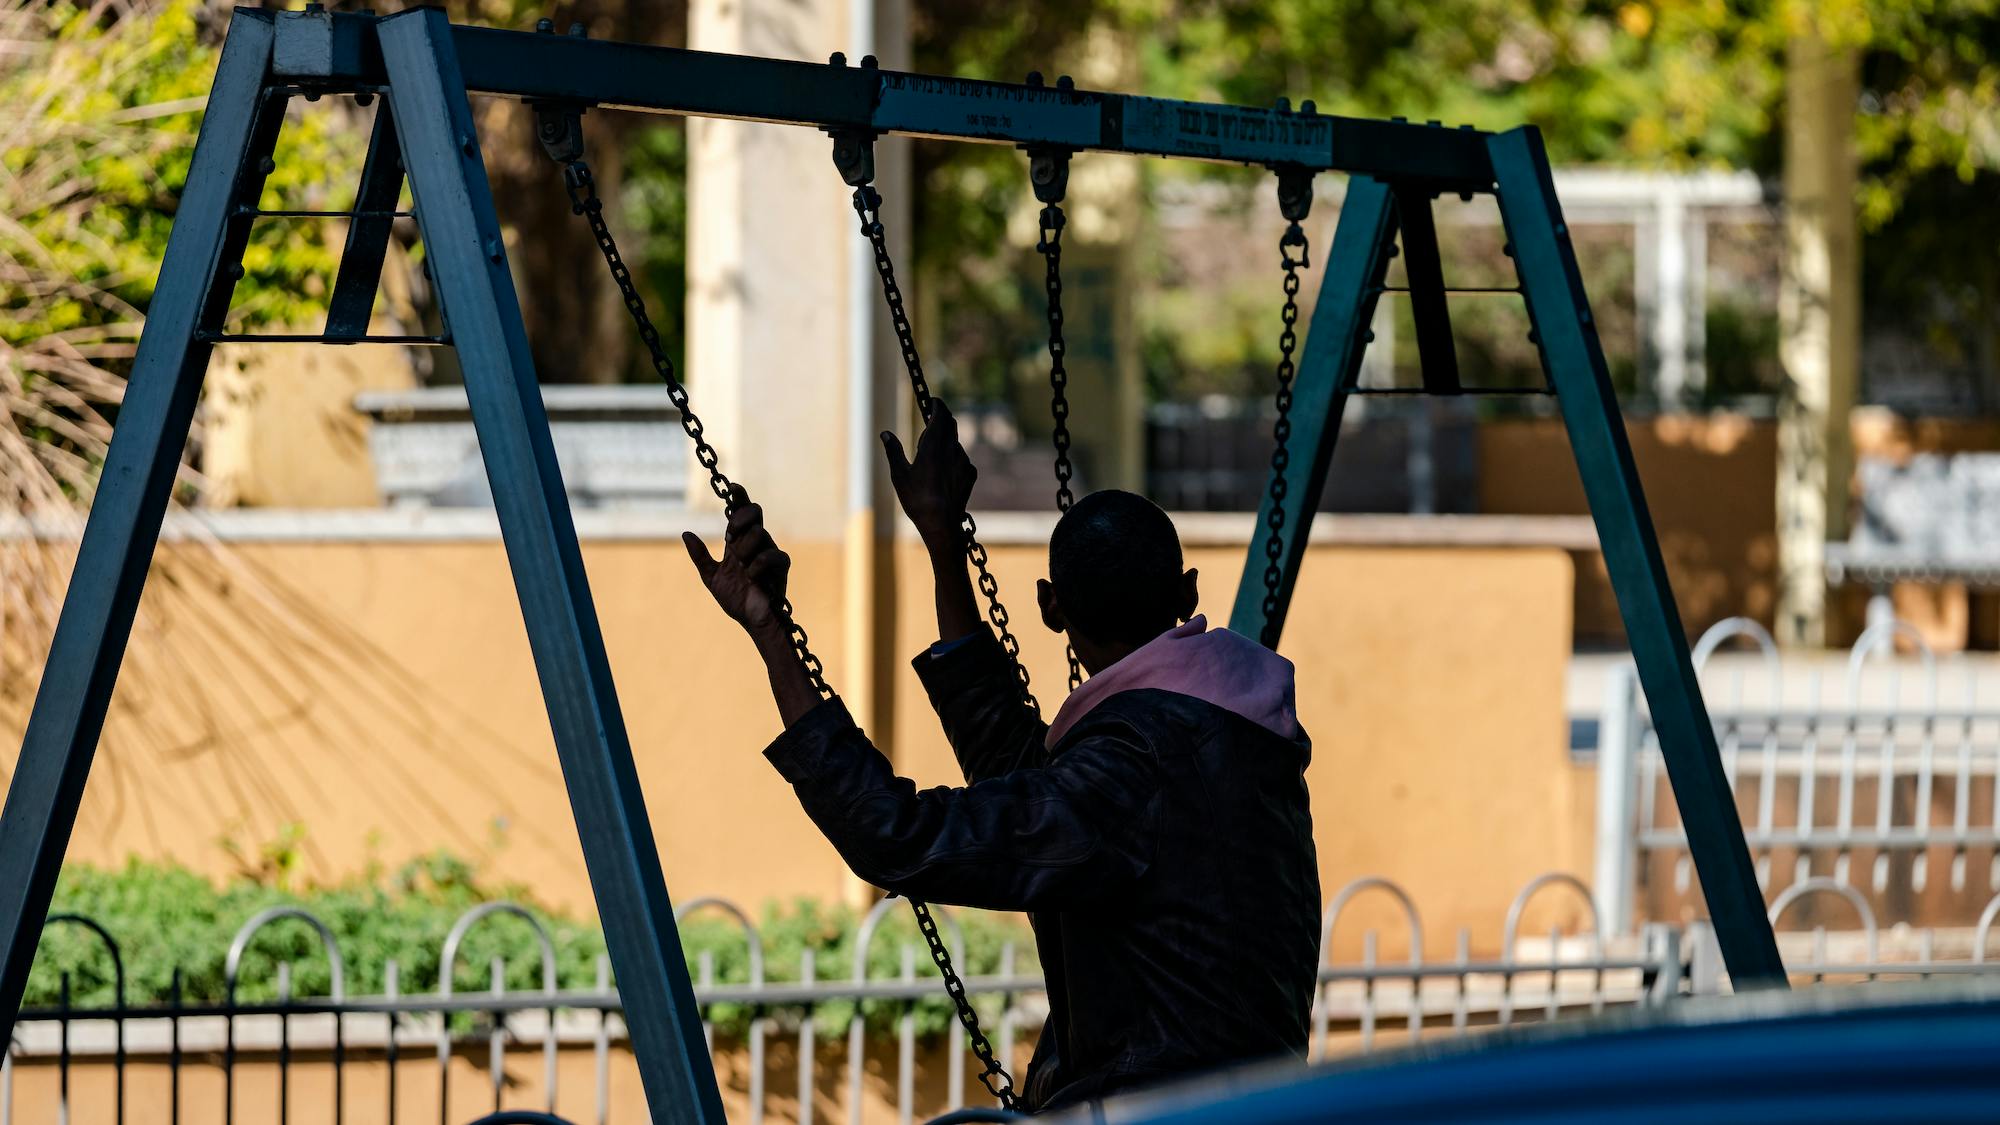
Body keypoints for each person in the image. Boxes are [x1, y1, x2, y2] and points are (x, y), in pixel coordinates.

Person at [683, 402, 1321, 1113]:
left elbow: (898, 832)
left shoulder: (1132, 771)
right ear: (1188, 594)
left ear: (1050, 607)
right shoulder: (1234, 733)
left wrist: (770, 631)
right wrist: (942, 541)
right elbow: (1017, 767)